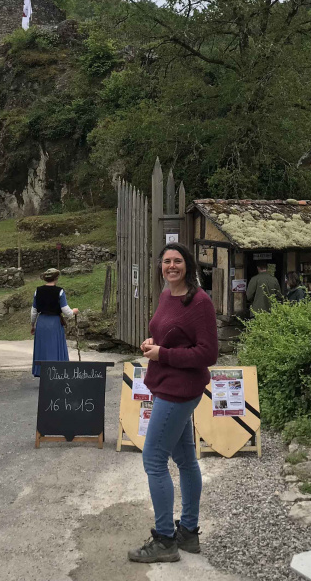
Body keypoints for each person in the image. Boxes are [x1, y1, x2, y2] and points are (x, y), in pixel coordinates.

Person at [128, 242, 218, 564]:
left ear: (188, 265)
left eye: (177, 261)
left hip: (179, 391)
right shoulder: (167, 295)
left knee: (153, 460)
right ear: (161, 267)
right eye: (166, 261)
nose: (171, 266)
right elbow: (171, 335)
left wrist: (163, 354)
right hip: (167, 384)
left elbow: (208, 354)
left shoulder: (200, 302)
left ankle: (165, 540)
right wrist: (156, 343)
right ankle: (188, 533)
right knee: (184, 459)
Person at [30, 268, 79, 377]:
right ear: (56, 278)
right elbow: (66, 311)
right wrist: (74, 312)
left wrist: (33, 325)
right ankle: (57, 372)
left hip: (42, 322)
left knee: (43, 348)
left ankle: (43, 372)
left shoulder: (38, 290)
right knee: (54, 347)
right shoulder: (59, 291)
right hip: (54, 323)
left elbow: (34, 311)